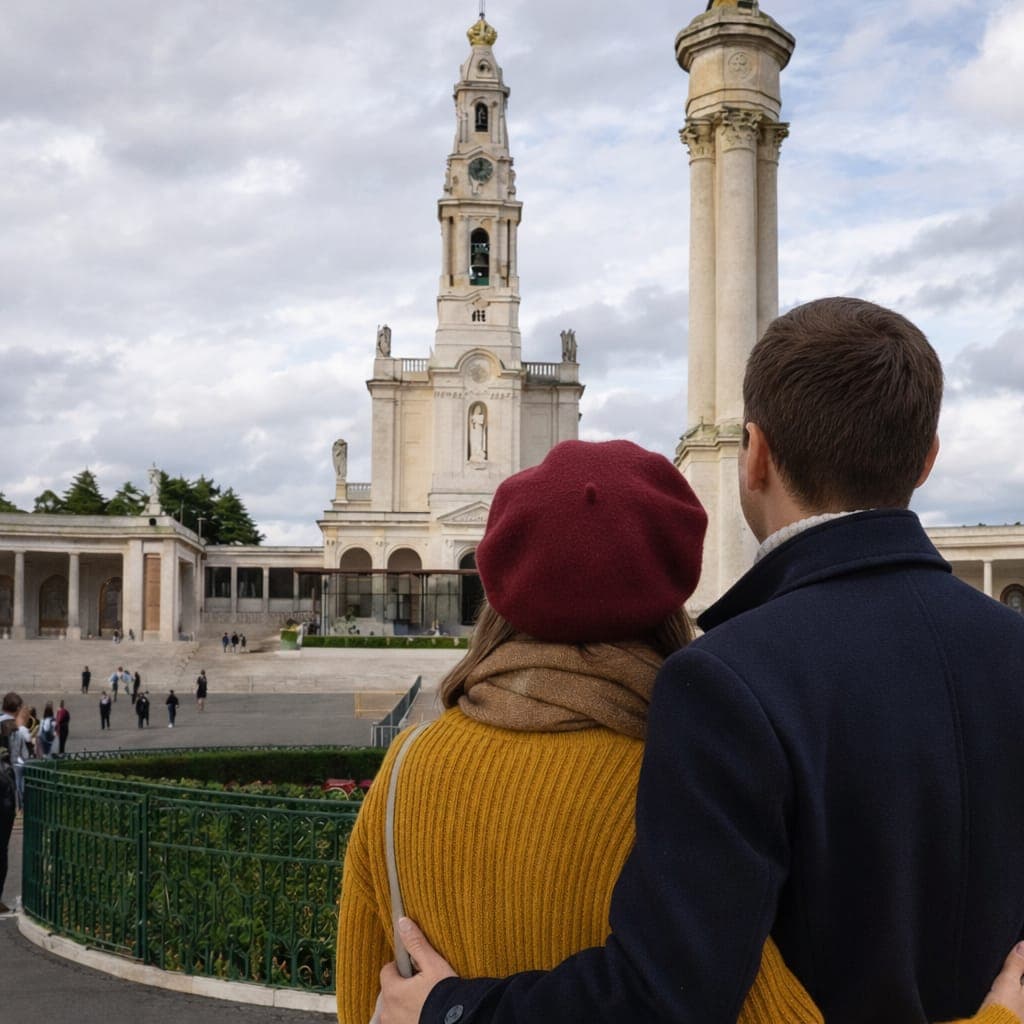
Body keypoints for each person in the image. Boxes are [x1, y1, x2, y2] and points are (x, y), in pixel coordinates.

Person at [381, 298, 1024, 1024]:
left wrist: (451, 1011)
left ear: (753, 455)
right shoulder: (1012, 648)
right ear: (929, 457)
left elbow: (667, 995)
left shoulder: (728, 680)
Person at [0, 691, 24, 914]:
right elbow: (16, 760)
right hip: (4, 789)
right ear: (17, 709)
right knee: (1, 847)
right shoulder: (13, 729)